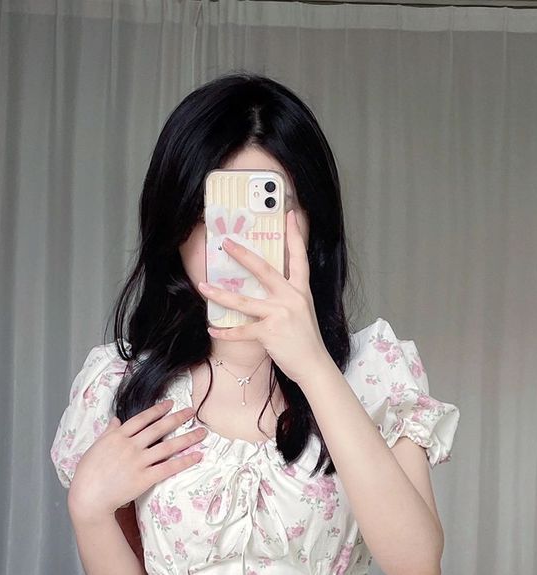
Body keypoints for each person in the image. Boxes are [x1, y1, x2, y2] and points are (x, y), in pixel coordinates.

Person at [50, 73, 460, 575]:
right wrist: (88, 513)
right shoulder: (121, 384)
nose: (236, 241)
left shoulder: (374, 374)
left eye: (267, 208)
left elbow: (417, 566)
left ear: (311, 222)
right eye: (212, 212)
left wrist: (313, 366)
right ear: (174, 225)